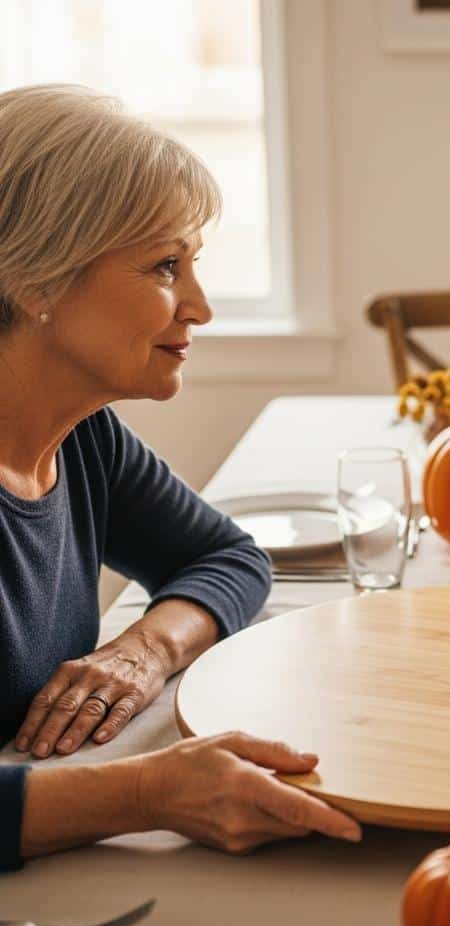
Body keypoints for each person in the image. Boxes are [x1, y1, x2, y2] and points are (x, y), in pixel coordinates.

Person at [0, 84, 361, 871]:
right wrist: (146, 794)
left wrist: (146, 648)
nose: (199, 307)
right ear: (36, 281)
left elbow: (230, 556)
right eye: (165, 266)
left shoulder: (84, 434)